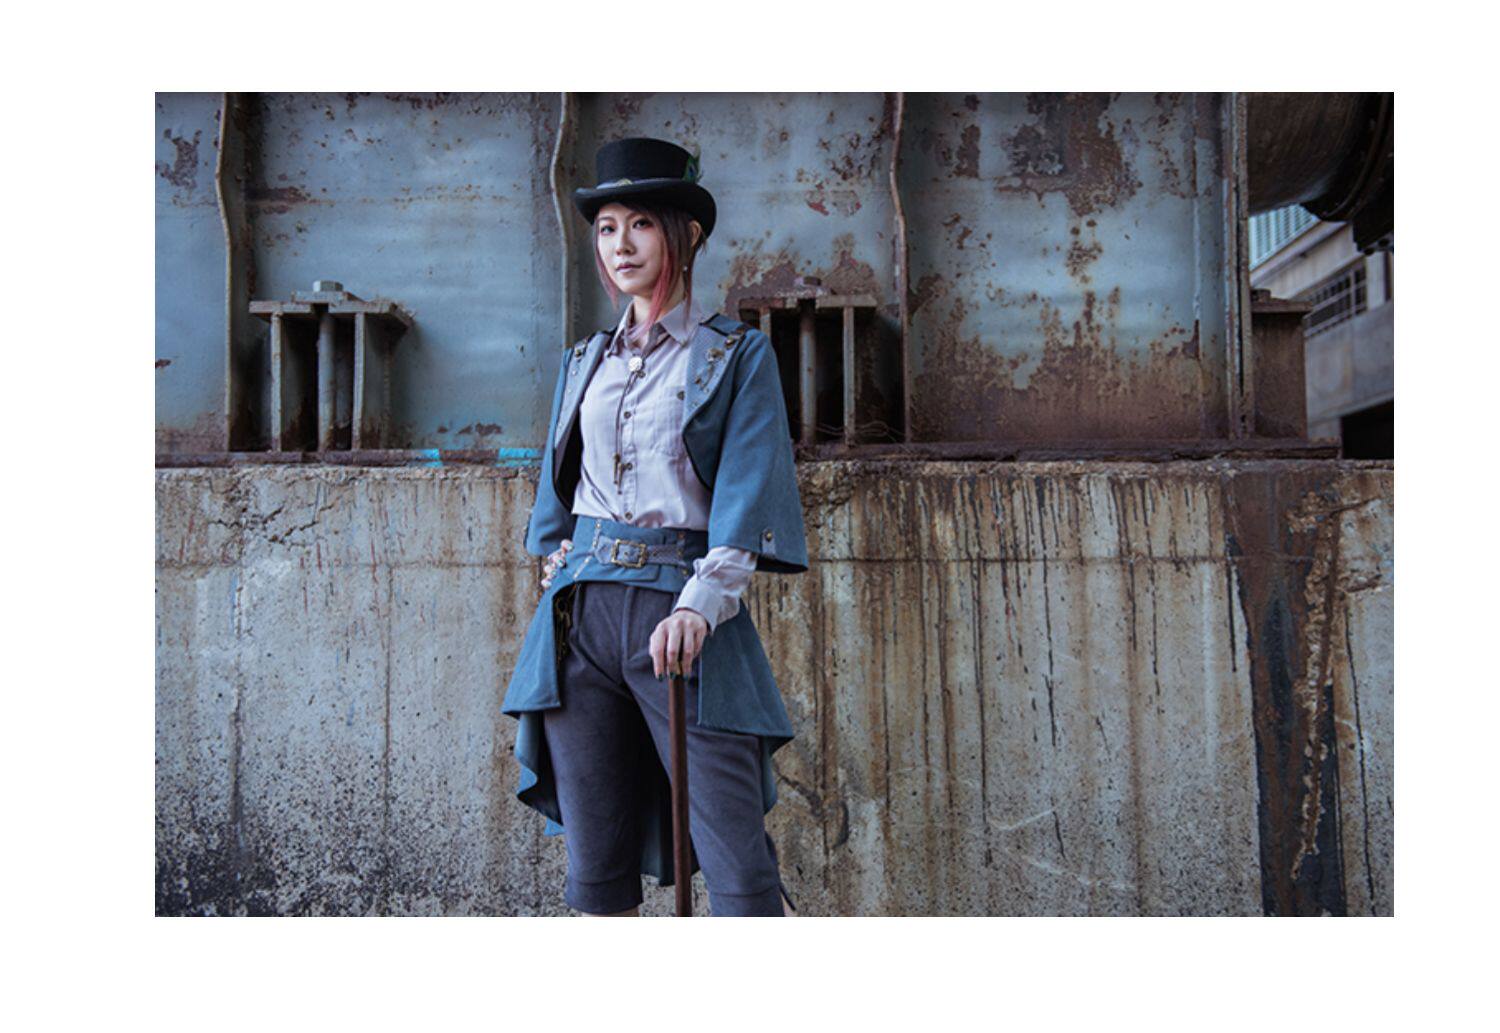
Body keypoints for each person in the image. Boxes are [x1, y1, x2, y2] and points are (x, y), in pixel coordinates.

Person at [501, 137, 809, 917]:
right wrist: (560, 558)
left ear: (686, 233)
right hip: (579, 627)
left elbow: (746, 493)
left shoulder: (734, 355)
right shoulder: (585, 360)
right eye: (606, 228)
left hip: (679, 617)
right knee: (595, 860)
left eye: (640, 223)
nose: (621, 245)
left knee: (735, 859)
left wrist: (700, 606)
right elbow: (562, 487)